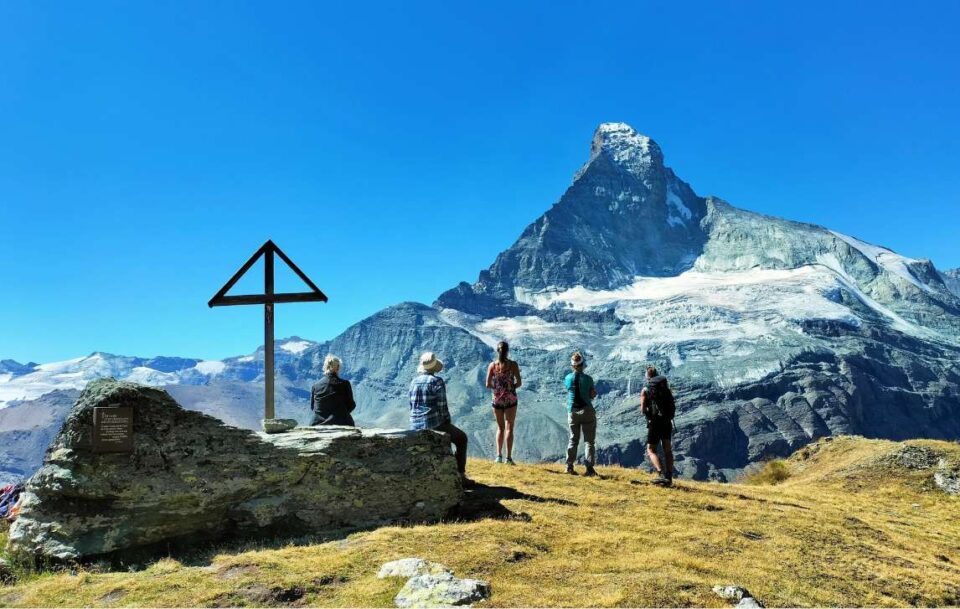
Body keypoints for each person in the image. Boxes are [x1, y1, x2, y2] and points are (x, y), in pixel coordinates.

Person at [410, 351, 474, 487]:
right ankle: (460, 475)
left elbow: (412, 405)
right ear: (434, 368)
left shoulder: (413, 382)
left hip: (415, 424)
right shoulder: (436, 381)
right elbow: (442, 406)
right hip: (432, 423)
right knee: (462, 439)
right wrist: (447, 421)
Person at [485, 341, 522, 465]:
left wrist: (497, 389)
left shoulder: (492, 366)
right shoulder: (513, 365)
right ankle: (509, 458)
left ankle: (498, 456)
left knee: (500, 428)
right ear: (507, 351)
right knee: (509, 428)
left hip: (497, 400)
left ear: (497, 351)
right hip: (511, 399)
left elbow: (487, 384)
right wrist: (510, 388)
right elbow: (519, 382)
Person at [640, 366, 676, 486]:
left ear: (647, 376)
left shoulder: (646, 389)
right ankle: (669, 476)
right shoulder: (665, 388)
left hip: (654, 422)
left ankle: (660, 474)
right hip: (667, 421)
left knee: (651, 449)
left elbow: (642, 409)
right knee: (667, 449)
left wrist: (648, 413)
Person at [564, 351, 598, 476]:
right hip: (587, 410)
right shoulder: (588, 379)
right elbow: (592, 395)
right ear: (583, 364)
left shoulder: (568, 378)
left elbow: (569, 389)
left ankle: (569, 466)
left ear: (572, 365)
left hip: (572, 410)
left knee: (573, 439)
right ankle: (589, 469)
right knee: (589, 441)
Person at [310, 355, 357, 426]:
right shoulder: (344, 384)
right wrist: (340, 413)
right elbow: (351, 405)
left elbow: (313, 407)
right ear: (338, 368)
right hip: (341, 423)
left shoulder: (316, 386)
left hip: (318, 424)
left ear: (326, 367)